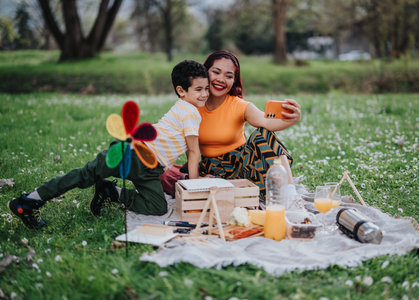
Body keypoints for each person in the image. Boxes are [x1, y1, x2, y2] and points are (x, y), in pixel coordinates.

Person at [9, 60, 209, 229]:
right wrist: (195, 185)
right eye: (198, 89)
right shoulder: (190, 113)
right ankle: (28, 201)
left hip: (151, 168)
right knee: (84, 175)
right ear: (181, 91)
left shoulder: (185, 108)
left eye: (206, 88)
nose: (205, 94)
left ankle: (111, 191)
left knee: (157, 207)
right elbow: (193, 151)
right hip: (132, 154)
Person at [198, 50, 302, 207]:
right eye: (216, 72)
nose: (221, 79)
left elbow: (267, 122)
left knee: (262, 135)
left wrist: (293, 119)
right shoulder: (192, 106)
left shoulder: (238, 105)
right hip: (212, 173)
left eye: (229, 76)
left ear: (234, 81)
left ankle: (291, 196)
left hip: (242, 166)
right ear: (205, 73)